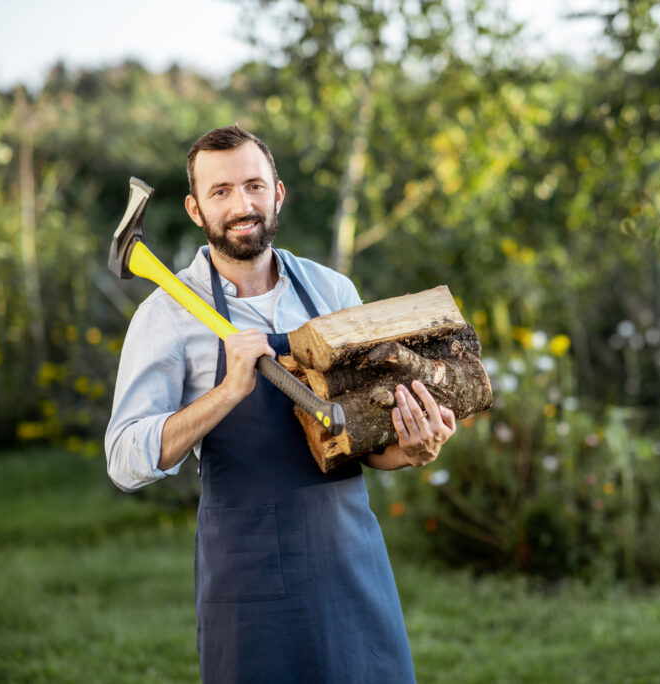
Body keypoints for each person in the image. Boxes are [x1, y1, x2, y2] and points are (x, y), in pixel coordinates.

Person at [105, 124, 455, 683]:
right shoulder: (166, 316)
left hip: (350, 562)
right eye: (221, 192)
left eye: (253, 186)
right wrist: (227, 393)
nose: (242, 205)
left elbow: (361, 439)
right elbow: (124, 460)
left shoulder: (331, 293)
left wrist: (413, 450)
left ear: (278, 193)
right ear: (196, 209)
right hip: (249, 583)